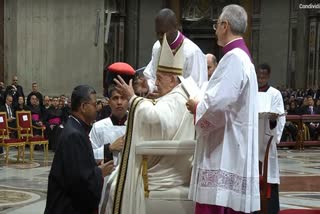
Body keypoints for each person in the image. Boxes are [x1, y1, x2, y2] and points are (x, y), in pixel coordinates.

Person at [107, 33, 195, 214]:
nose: (156, 83)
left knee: (117, 186)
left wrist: (133, 98)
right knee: (114, 180)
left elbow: (158, 120)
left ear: (172, 79)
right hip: (168, 162)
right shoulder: (176, 95)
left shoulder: (178, 97)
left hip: (166, 171)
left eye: (160, 78)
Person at [186, 4, 260, 213]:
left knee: (216, 204)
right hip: (232, 142)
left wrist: (197, 106)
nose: (215, 29)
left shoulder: (234, 58)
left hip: (224, 149)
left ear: (225, 25)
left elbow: (219, 103)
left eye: (216, 24)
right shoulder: (243, 58)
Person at [44, 85, 114, 214]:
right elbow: (78, 182)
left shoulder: (76, 128)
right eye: (94, 104)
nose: (97, 109)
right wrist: (99, 173)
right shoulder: (74, 135)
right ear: (83, 107)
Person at [143, 8, 207, 95]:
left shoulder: (192, 52)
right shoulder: (157, 47)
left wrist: (167, 94)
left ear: (176, 27)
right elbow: (151, 76)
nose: (159, 37)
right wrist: (148, 87)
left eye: (163, 33)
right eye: (157, 33)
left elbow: (197, 88)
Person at [257, 63, 285, 213]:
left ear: (268, 76)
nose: (261, 79)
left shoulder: (275, 94)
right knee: (253, 174)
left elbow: (280, 118)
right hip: (253, 139)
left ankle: (270, 209)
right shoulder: (250, 92)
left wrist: (273, 120)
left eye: (264, 76)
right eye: (259, 76)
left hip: (267, 138)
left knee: (269, 174)